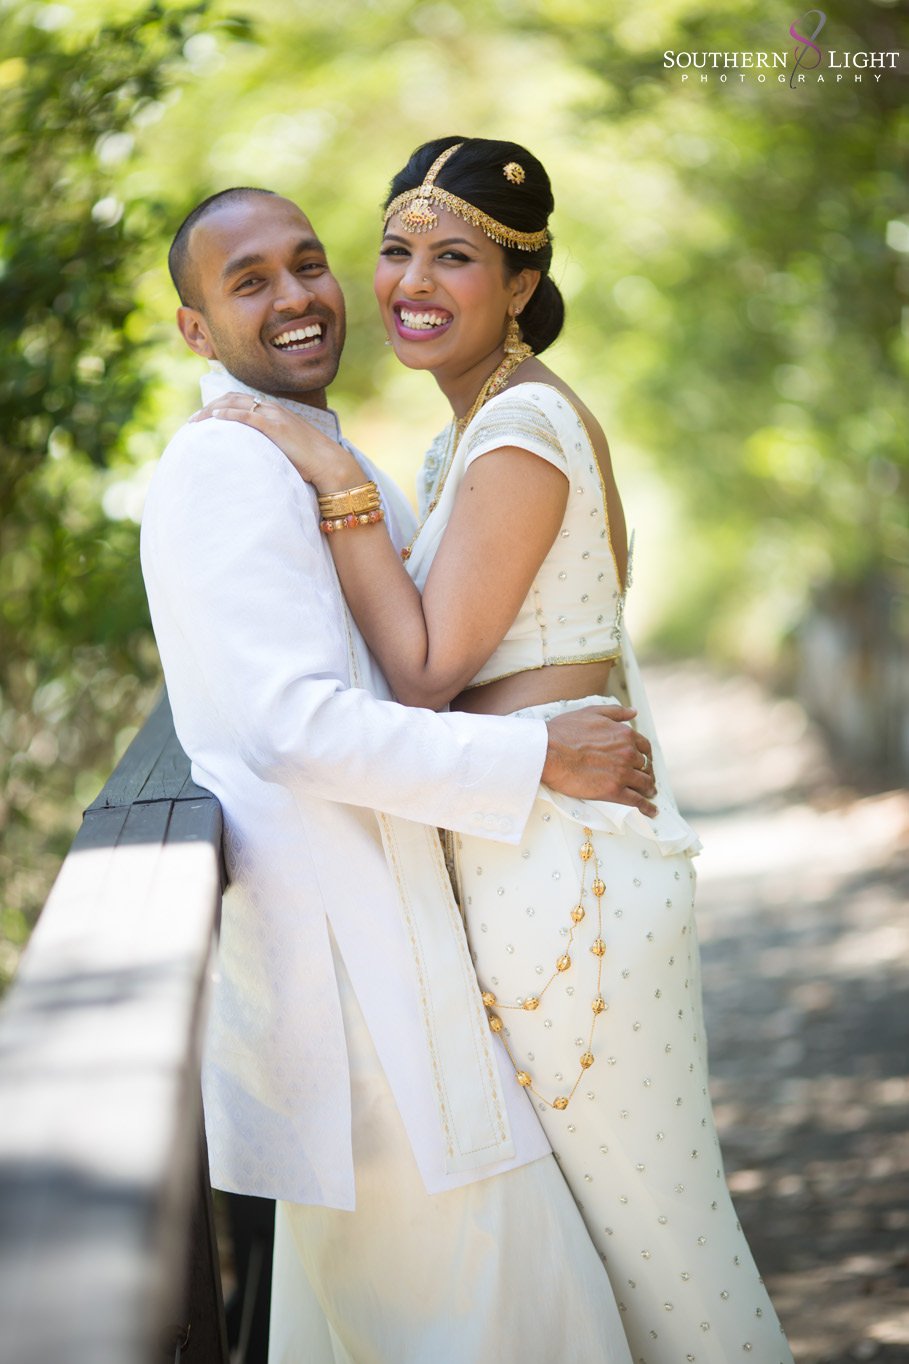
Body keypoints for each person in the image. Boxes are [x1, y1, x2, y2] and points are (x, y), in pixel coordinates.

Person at [200, 139, 795, 1364]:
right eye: (397, 249)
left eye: (457, 256)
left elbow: (420, 667)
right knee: (607, 1256)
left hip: (565, 883)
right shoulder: (467, 433)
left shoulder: (521, 424)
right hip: (534, 859)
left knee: (660, 1245)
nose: (413, 281)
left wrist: (326, 470)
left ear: (521, 286)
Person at [141, 185, 653, 1364]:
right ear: (195, 328)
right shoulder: (228, 466)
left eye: (309, 264)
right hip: (355, 987)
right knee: (517, 1315)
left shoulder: (309, 450)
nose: (298, 298)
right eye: (249, 281)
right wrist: (537, 754)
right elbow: (293, 730)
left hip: (400, 963)